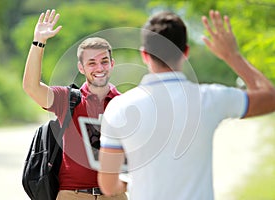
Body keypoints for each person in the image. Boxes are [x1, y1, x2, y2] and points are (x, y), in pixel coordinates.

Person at [97, 10, 275, 199]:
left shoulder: (118, 107)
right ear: (186, 52)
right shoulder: (210, 98)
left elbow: (108, 186)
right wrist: (232, 56)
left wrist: (132, 181)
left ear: (144, 54)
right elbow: (270, 98)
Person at [23, 9, 127, 200]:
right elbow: (31, 86)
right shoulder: (67, 99)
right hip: (73, 194)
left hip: (114, 196)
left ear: (112, 64)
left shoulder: (124, 103)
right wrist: (39, 42)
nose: (99, 68)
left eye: (104, 62)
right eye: (92, 63)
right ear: (81, 68)